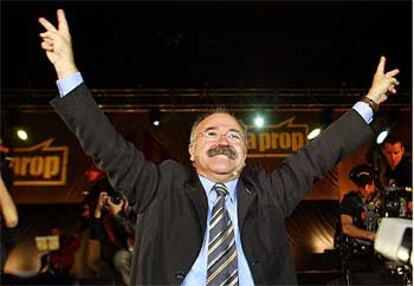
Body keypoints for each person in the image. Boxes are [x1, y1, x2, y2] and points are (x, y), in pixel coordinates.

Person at [38, 9, 400, 286]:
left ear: (244, 156)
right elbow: (107, 145)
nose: (224, 139)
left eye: (234, 135)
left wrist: (369, 100)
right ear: (192, 153)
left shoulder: (269, 193)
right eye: (210, 134)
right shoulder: (159, 186)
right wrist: (67, 69)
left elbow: (320, 154)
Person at [334, 164, 382, 269]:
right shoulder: (350, 201)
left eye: (369, 185)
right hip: (356, 256)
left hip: (380, 255)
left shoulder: (384, 201)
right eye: (361, 185)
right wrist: (371, 235)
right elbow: (346, 227)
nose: (365, 189)